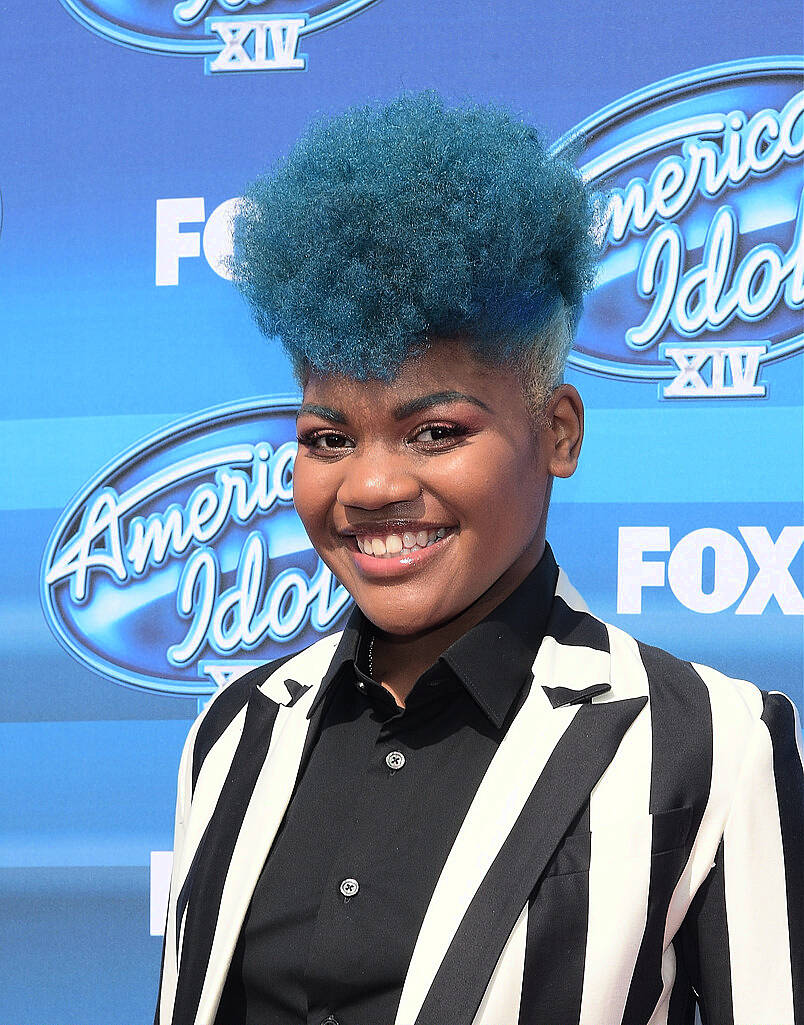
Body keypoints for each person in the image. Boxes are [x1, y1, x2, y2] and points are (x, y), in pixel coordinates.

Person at [154, 91, 803, 1025]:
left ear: (558, 431)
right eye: (329, 439)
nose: (370, 486)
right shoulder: (234, 730)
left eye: (435, 431)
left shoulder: (712, 744)